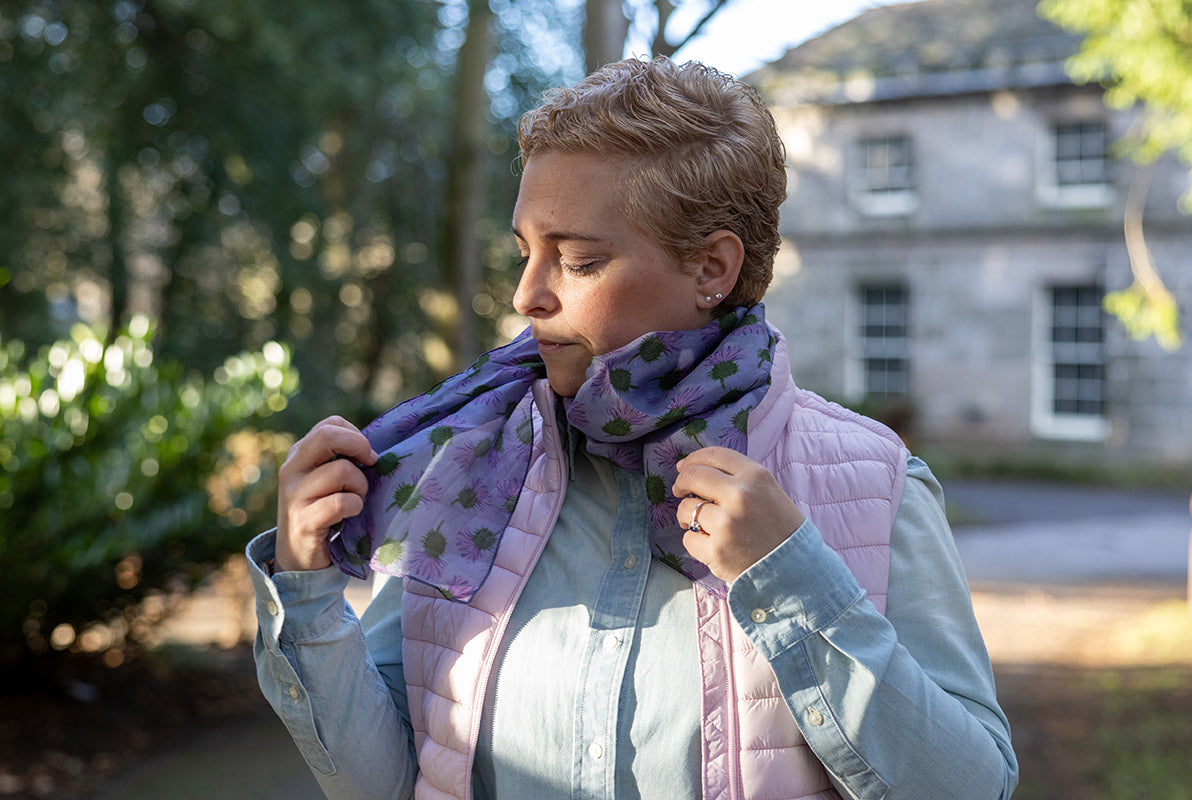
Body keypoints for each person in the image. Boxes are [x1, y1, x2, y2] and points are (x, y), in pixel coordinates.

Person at [248, 57, 1018, 800]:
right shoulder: (463, 473)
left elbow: (971, 786)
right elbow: (390, 784)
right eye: (524, 252)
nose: (526, 296)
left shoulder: (876, 483)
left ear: (712, 269)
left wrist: (794, 579)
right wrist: (306, 592)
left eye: (577, 261)